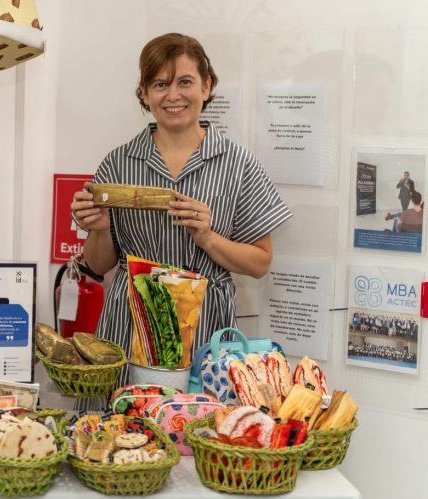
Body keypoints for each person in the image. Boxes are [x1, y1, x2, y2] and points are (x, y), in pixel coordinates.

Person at [70, 33, 291, 404]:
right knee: (120, 441)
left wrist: (208, 238)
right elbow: (97, 263)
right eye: (160, 84)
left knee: (201, 436)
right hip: (130, 324)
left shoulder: (238, 164)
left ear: (207, 86)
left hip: (205, 328)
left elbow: (260, 263)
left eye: (185, 82)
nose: (173, 96)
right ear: (144, 93)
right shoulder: (118, 163)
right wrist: (102, 228)